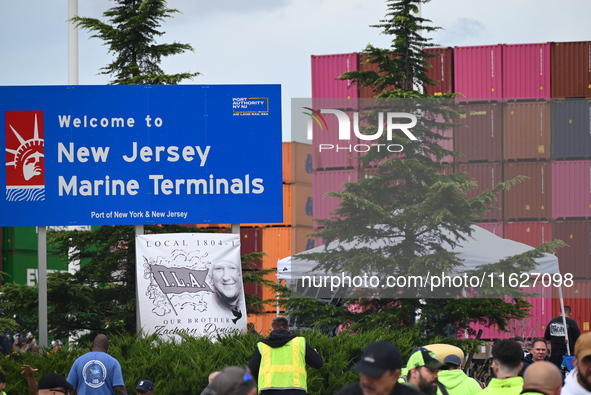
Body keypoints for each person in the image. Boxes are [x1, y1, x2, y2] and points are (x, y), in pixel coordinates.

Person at [248, 316, 323, 395]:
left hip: (268, 391)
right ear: (288, 328)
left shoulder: (262, 346)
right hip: (296, 390)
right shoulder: (299, 342)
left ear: (272, 328)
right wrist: (315, 353)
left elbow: (251, 371)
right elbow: (318, 364)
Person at [335, 340, 422, 395]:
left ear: (395, 376)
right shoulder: (349, 392)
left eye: (374, 375)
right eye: (364, 373)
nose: (366, 381)